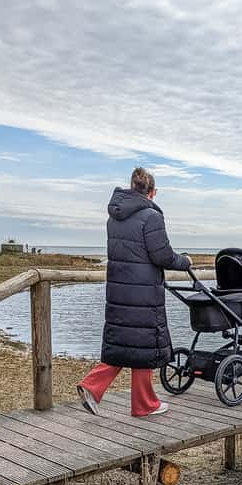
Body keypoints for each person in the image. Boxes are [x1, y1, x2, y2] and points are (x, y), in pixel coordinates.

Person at [77, 167, 192, 417]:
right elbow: (162, 255)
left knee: (125, 341)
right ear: (152, 192)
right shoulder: (151, 216)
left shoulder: (114, 217)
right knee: (144, 344)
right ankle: (144, 404)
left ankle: (92, 386)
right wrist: (185, 261)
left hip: (119, 289)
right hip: (144, 292)